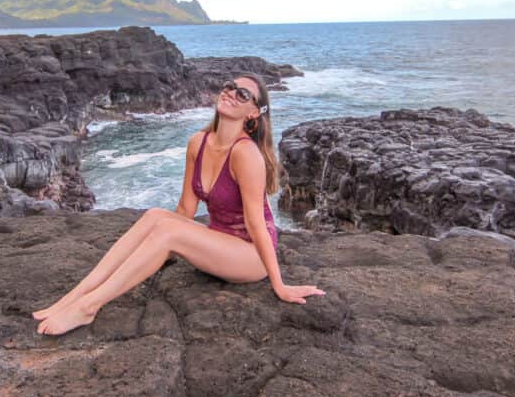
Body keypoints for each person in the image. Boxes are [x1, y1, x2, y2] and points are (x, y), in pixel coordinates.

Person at [33, 73, 325, 336]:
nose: (231, 93)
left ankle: (89, 307)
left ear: (252, 114)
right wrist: (155, 250)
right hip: (220, 240)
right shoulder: (198, 142)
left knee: (167, 232)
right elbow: (185, 209)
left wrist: (279, 284)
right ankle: (75, 296)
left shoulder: (245, 154)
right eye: (229, 86)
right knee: (155, 216)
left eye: (243, 94)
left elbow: (256, 224)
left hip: (250, 255)